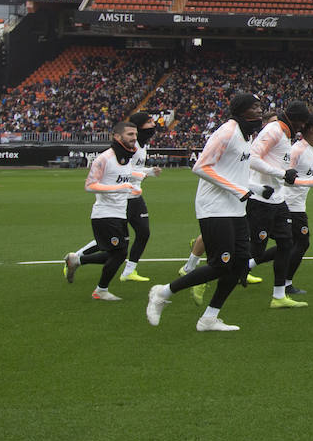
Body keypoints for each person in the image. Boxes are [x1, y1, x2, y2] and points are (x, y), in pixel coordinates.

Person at [146, 92, 273, 331]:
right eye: (255, 107)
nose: (259, 110)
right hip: (214, 207)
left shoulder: (247, 135)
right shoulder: (227, 132)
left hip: (236, 209)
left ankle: (209, 318)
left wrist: (256, 188)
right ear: (241, 110)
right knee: (220, 265)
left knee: (239, 266)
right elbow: (201, 167)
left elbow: (236, 174)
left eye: (260, 106)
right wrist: (237, 190)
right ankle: (162, 293)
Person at [245, 101, 313, 308]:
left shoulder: (285, 136)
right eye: (302, 123)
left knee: (288, 243)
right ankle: (216, 273)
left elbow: (284, 174)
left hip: (278, 199)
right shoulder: (274, 130)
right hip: (260, 199)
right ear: (296, 120)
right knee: (256, 251)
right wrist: (282, 173)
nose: (303, 128)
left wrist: (304, 180)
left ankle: (278, 296)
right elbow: (252, 158)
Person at [63, 121, 141, 301]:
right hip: (105, 214)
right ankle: (101, 290)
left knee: (116, 254)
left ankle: (78, 260)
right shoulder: (104, 158)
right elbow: (90, 186)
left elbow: (121, 180)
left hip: (120, 213)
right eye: (130, 134)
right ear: (117, 136)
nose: (134, 138)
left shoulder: (127, 158)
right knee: (119, 254)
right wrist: (119, 188)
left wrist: (134, 186)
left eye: (135, 134)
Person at [282, 115, 313, 296]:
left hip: (298, 204)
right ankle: (286, 283)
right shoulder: (297, 150)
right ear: (310, 129)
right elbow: (286, 178)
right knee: (302, 242)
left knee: (287, 243)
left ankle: (248, 265)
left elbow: (302, 177)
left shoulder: (310, 149)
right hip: (290, 204)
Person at [117, 111, 162, 283]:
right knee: (114, 239)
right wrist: (147, 173)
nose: (153, 124)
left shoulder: (142, 146)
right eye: (149, 122)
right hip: (123, 195)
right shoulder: (131, 146)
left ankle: (129, 271)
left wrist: (148, 172)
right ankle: (77, 258)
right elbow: (123, 171)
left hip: (135, 195)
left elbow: (134, 170)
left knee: (143, 233)